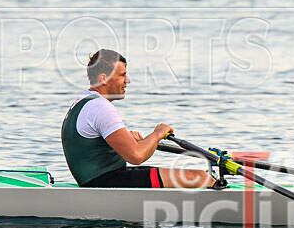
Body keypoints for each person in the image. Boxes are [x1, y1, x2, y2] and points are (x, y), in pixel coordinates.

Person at [61, 49, 213, 189]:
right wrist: (157, 134)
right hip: (107, 182)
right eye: (122, 75)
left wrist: (129, 141)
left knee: (191, 176)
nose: (128, 80)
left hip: (102, 178)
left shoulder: (82, 102)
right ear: (104, 78)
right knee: (200, 177)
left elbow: (94, 147)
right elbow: (137, 156)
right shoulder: (101, 108)